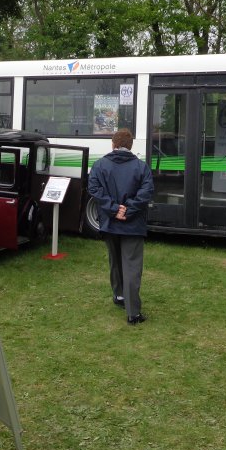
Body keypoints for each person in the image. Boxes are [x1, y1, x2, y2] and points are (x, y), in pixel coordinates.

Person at [88, 129, 154, 325]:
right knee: (132, 267)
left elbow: (94, 188)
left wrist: (113, 209)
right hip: (133, 226)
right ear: (131, 145)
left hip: (109, 224)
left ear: (113, 144)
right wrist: (128, 210)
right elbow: (146, 192)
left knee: (115, 262)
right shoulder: (142, 167)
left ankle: (119, 296)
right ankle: (133, 313)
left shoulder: (99, 165)